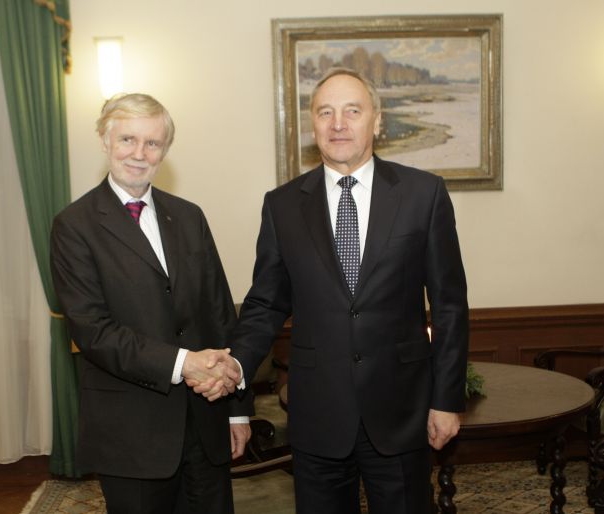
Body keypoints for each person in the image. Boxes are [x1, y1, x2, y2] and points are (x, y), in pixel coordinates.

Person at [210, 68, 469, 514]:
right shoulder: (282, 205)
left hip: (401, 411)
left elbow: (449, 306)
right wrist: (235, 365)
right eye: (325, 112)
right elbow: (266, 303)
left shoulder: (423, 194)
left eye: (352, 111)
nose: (338, 124)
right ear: (312, 124)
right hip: (318, 415)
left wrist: (446, 400)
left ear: (377, 121)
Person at [50, 92, 251, 514]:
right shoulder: (74, 226)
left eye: (153, 143)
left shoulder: (190, 216)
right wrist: (184, 363)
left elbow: (219, 313)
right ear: (105, 141)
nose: (139, 154)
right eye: (128, 139)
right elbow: (93, 331)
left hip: (206, 422)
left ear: (165, 150)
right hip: (132, 435)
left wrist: (237, 411)